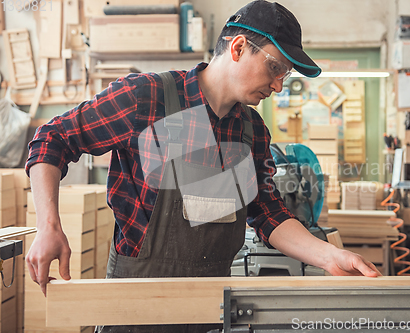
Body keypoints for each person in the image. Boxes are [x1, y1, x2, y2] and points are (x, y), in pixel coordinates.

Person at [26, 1, 381, 332]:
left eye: (284, 75)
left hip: (211, 311)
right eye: (275, 68)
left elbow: (267, 212)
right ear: (238, 48)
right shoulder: (147, 100)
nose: (277, 84)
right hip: (135, 309)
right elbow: (53, 139)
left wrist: (329, 256)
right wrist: (49, 226)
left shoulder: (251, 131)